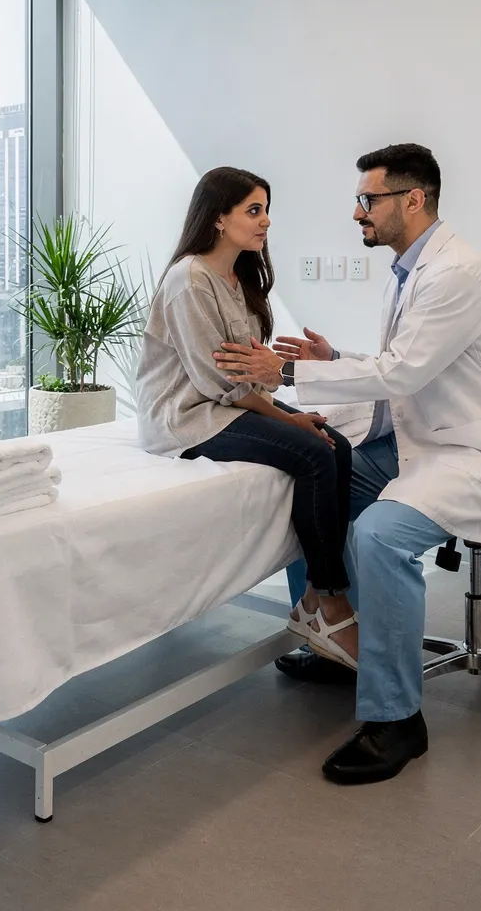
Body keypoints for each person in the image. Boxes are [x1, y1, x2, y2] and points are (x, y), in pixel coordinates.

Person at [216, 144, 481, 785]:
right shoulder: (412, 269)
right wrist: (333, 358)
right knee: (317, 474)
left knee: (379, 535)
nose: (357, 212)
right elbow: (413, 363)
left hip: (479, 451)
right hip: (428, 439)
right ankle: (339, 641)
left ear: (412, 200)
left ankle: (397, 719)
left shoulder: (457, 274)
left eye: (368, 199)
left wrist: (287, 372)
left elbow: (403, 372)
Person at [136, 167, 362, 668]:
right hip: (188, 416)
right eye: (253, 210)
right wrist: (286, 419)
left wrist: (283, 406)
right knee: (314, 452)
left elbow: (248, 372)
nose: (266, 221)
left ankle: (313, 601)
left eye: (266, 210)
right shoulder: (189, 280)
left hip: (228, 403)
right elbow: (218, 380)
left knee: (337, 445)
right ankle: (333, 606)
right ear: (218, 218)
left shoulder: (237, 279)